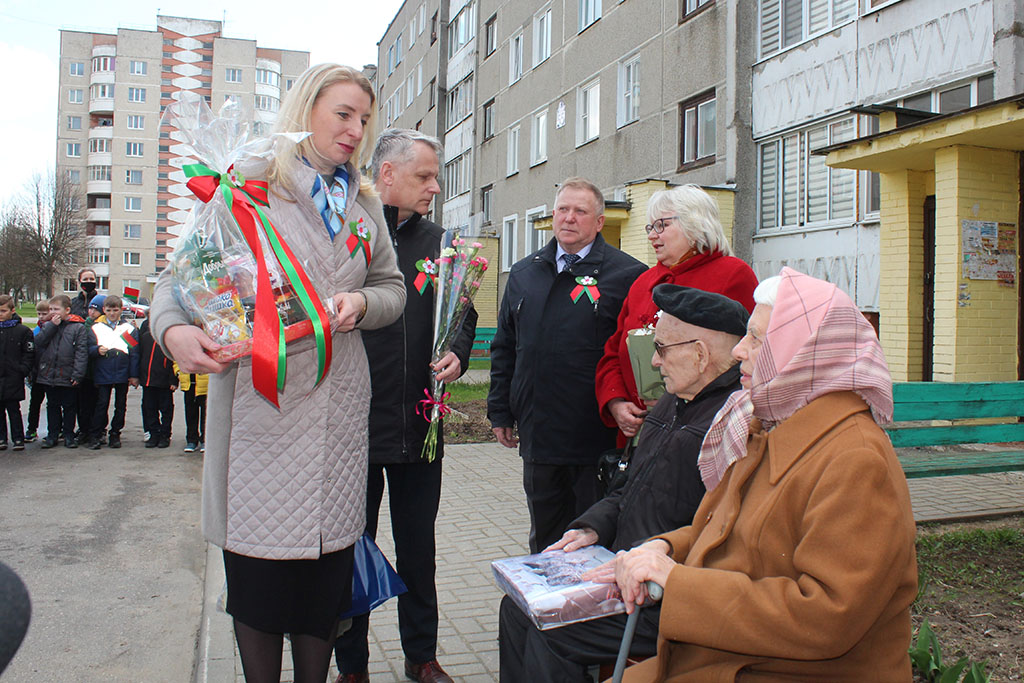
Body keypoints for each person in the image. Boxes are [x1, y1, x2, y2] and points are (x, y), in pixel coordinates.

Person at [151, 63, 405, 683]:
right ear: (306, 107)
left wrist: (363, 305)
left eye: (365, 120)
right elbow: (179, 281)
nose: (355, 130)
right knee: (260, 589)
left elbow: (392, 287)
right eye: (343, 113)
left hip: (337, 413)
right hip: (261, 412)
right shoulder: (249, 184)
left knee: (323, 590)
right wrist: (175, 331)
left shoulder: (365, 204)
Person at [597, 268, 918, 682]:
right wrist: (662, 549)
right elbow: (721, 530)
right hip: (733, 656)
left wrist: (677, 584)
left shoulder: (855, 459)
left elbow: (825, 617)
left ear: (804, 353)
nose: (738, 352)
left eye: (757, 339)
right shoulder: (765, 424)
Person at [498, 285, 748, 682]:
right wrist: (591, 527)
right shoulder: (673, 402)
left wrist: (646, 563)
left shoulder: (732, 424)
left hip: (664, 596)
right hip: (622, 567)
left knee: (553, 634)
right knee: (516, 608)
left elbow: (724, 536)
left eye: (662, 348)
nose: (652, 360)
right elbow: (626, 486)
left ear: (701, 355)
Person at [334, 129, 476, 683]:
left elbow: (460, 315)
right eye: (425, 176)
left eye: (437, 177)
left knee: (420, 551)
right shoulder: (348, 235)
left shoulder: (443, 245)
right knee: (351, 551)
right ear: (387, 175)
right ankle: (351, 666)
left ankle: (422, 656)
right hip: (354, 427)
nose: (435, 188)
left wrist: (459, 356)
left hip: (421, 426)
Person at [488, 178, 647, 553]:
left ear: (599, 221)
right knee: (545, 541)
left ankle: (594, 613)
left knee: (594, 541)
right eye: (563, 209)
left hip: (595, 436)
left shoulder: (627, 276)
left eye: (580, 211)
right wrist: (500, 411)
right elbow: (505, 347)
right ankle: (544, 609)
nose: (569, 218)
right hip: (540, 434)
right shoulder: (525, 274)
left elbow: (634, 352)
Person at [595, 184, 758, 442]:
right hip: (640, 435)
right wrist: (616, 402)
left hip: (701, 431)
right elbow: (613, 352)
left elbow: (747, 357)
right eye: (650, 227)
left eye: (662, 225)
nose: (652, 235)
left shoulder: (733, 275)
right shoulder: (642, 282)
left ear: (695, 223)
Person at [35, 295, 89, 449]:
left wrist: (78, 374)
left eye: (56, 309)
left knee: (69, 406)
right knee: (52, 406)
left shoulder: (77, 327)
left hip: (67, 374)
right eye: (50, 309)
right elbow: (39, 342)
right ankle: (52, 434)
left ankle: (68, 435)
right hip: (49, 374)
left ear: (67, 310)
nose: (53, 312)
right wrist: (52, 325)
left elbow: (81, 352)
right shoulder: (47, 325)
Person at [86, 296, 139, 450]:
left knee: (121, 405)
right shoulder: (96, 328)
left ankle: (115, 433)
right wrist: (97, 350)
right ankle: (96, 434)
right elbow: (88, 348)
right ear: (104, 310)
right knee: (102, 404)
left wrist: (134, 375)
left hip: (122, 371)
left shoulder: (127, 329)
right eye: (109, 310)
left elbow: (134, 352)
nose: (112, 314)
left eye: (115, 310)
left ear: (121, 310)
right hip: (103, 371)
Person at [0, 296, 34, 452]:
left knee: (13, 408)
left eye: (3, 311)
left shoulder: (23, 331)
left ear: (12, 311)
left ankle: (18, 438)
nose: (0, 314)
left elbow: (29, 353)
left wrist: (23, 369)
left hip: (14, 375)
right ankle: (2, 438)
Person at [138, 317, 177, 449]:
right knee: (150, 409)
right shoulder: (145, 337)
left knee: (166, 410)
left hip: (165, 381)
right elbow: (139, 355)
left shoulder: (169, 339)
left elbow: (174, 360)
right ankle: (153, 433)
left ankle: (165, 435)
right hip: (148, 380)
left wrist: (174, 379)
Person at [76, 294, 106, 445]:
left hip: (100, 372)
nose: (91, 312)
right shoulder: (84, 326)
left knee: (99, 404)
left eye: (96, 310)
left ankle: (98, 430)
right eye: (90, 309)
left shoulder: (104, 327)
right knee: (84, 404)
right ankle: (84, 430)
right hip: (85, 372)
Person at [23, 301, 52, 443]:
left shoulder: (54, 329)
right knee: (35, 402)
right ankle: (31, 429)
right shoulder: (35, 330)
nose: (41, 317)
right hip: (37, 372)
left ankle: (55, 429)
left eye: (44, 314)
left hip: (51, 372)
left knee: (53, 403)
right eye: (39, 314)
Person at [175, 364, 207, 453]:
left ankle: (204, 439)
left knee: (205, 415)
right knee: (190, 414)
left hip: (204, 384)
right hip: (188, 384)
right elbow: (176, 359)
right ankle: (191, 440)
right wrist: (178, 372)